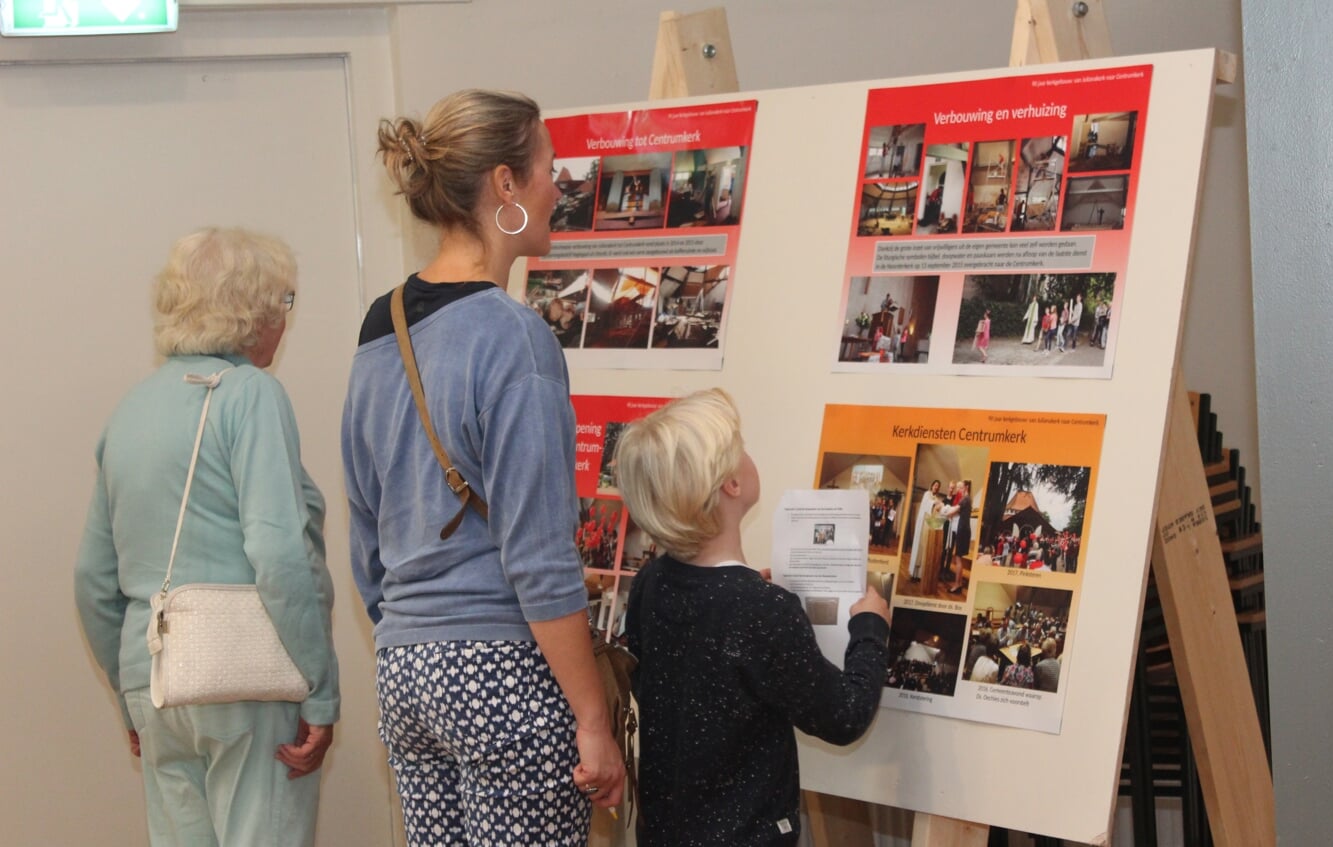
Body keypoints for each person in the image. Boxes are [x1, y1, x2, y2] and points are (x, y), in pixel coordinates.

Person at [342, 89, 623, 846]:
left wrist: (422, 633)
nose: (556, 188)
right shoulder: (515, 336)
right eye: (546, 170)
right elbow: (537, 556)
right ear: (504, 184)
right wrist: (593, 718)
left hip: (406, 672)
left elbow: (365, 533)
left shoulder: (382, 322)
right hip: (502, 670)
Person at [75, 227, 339, 846]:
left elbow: (93, 581)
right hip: (245, 678)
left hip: (155, 685)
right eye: (285, 302)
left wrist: (130, 695)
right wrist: (319, 690)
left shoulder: (129, 411)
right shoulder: (251, 396)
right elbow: (276, 552)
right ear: (251, 309)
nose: (284, 319)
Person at [612, 388, 890, 846]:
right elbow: (844, 716)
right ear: (731, 484)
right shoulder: (759, 608)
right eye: (739, 447)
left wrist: (756, 608)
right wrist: (870, 628)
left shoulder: (651, 582)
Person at [907, 480, 945, 581]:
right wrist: (935, 503)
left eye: (938, 486)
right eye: (935, 485)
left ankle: (919, 575)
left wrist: (939, 507)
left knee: (924, 549)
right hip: (922, 524)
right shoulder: (927, 494)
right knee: (918, 547)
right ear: (932, 486)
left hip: (928, 526)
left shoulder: (936, 498)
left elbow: (935, 512)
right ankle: (913, 574)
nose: (936, 487)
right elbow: (926, 505)